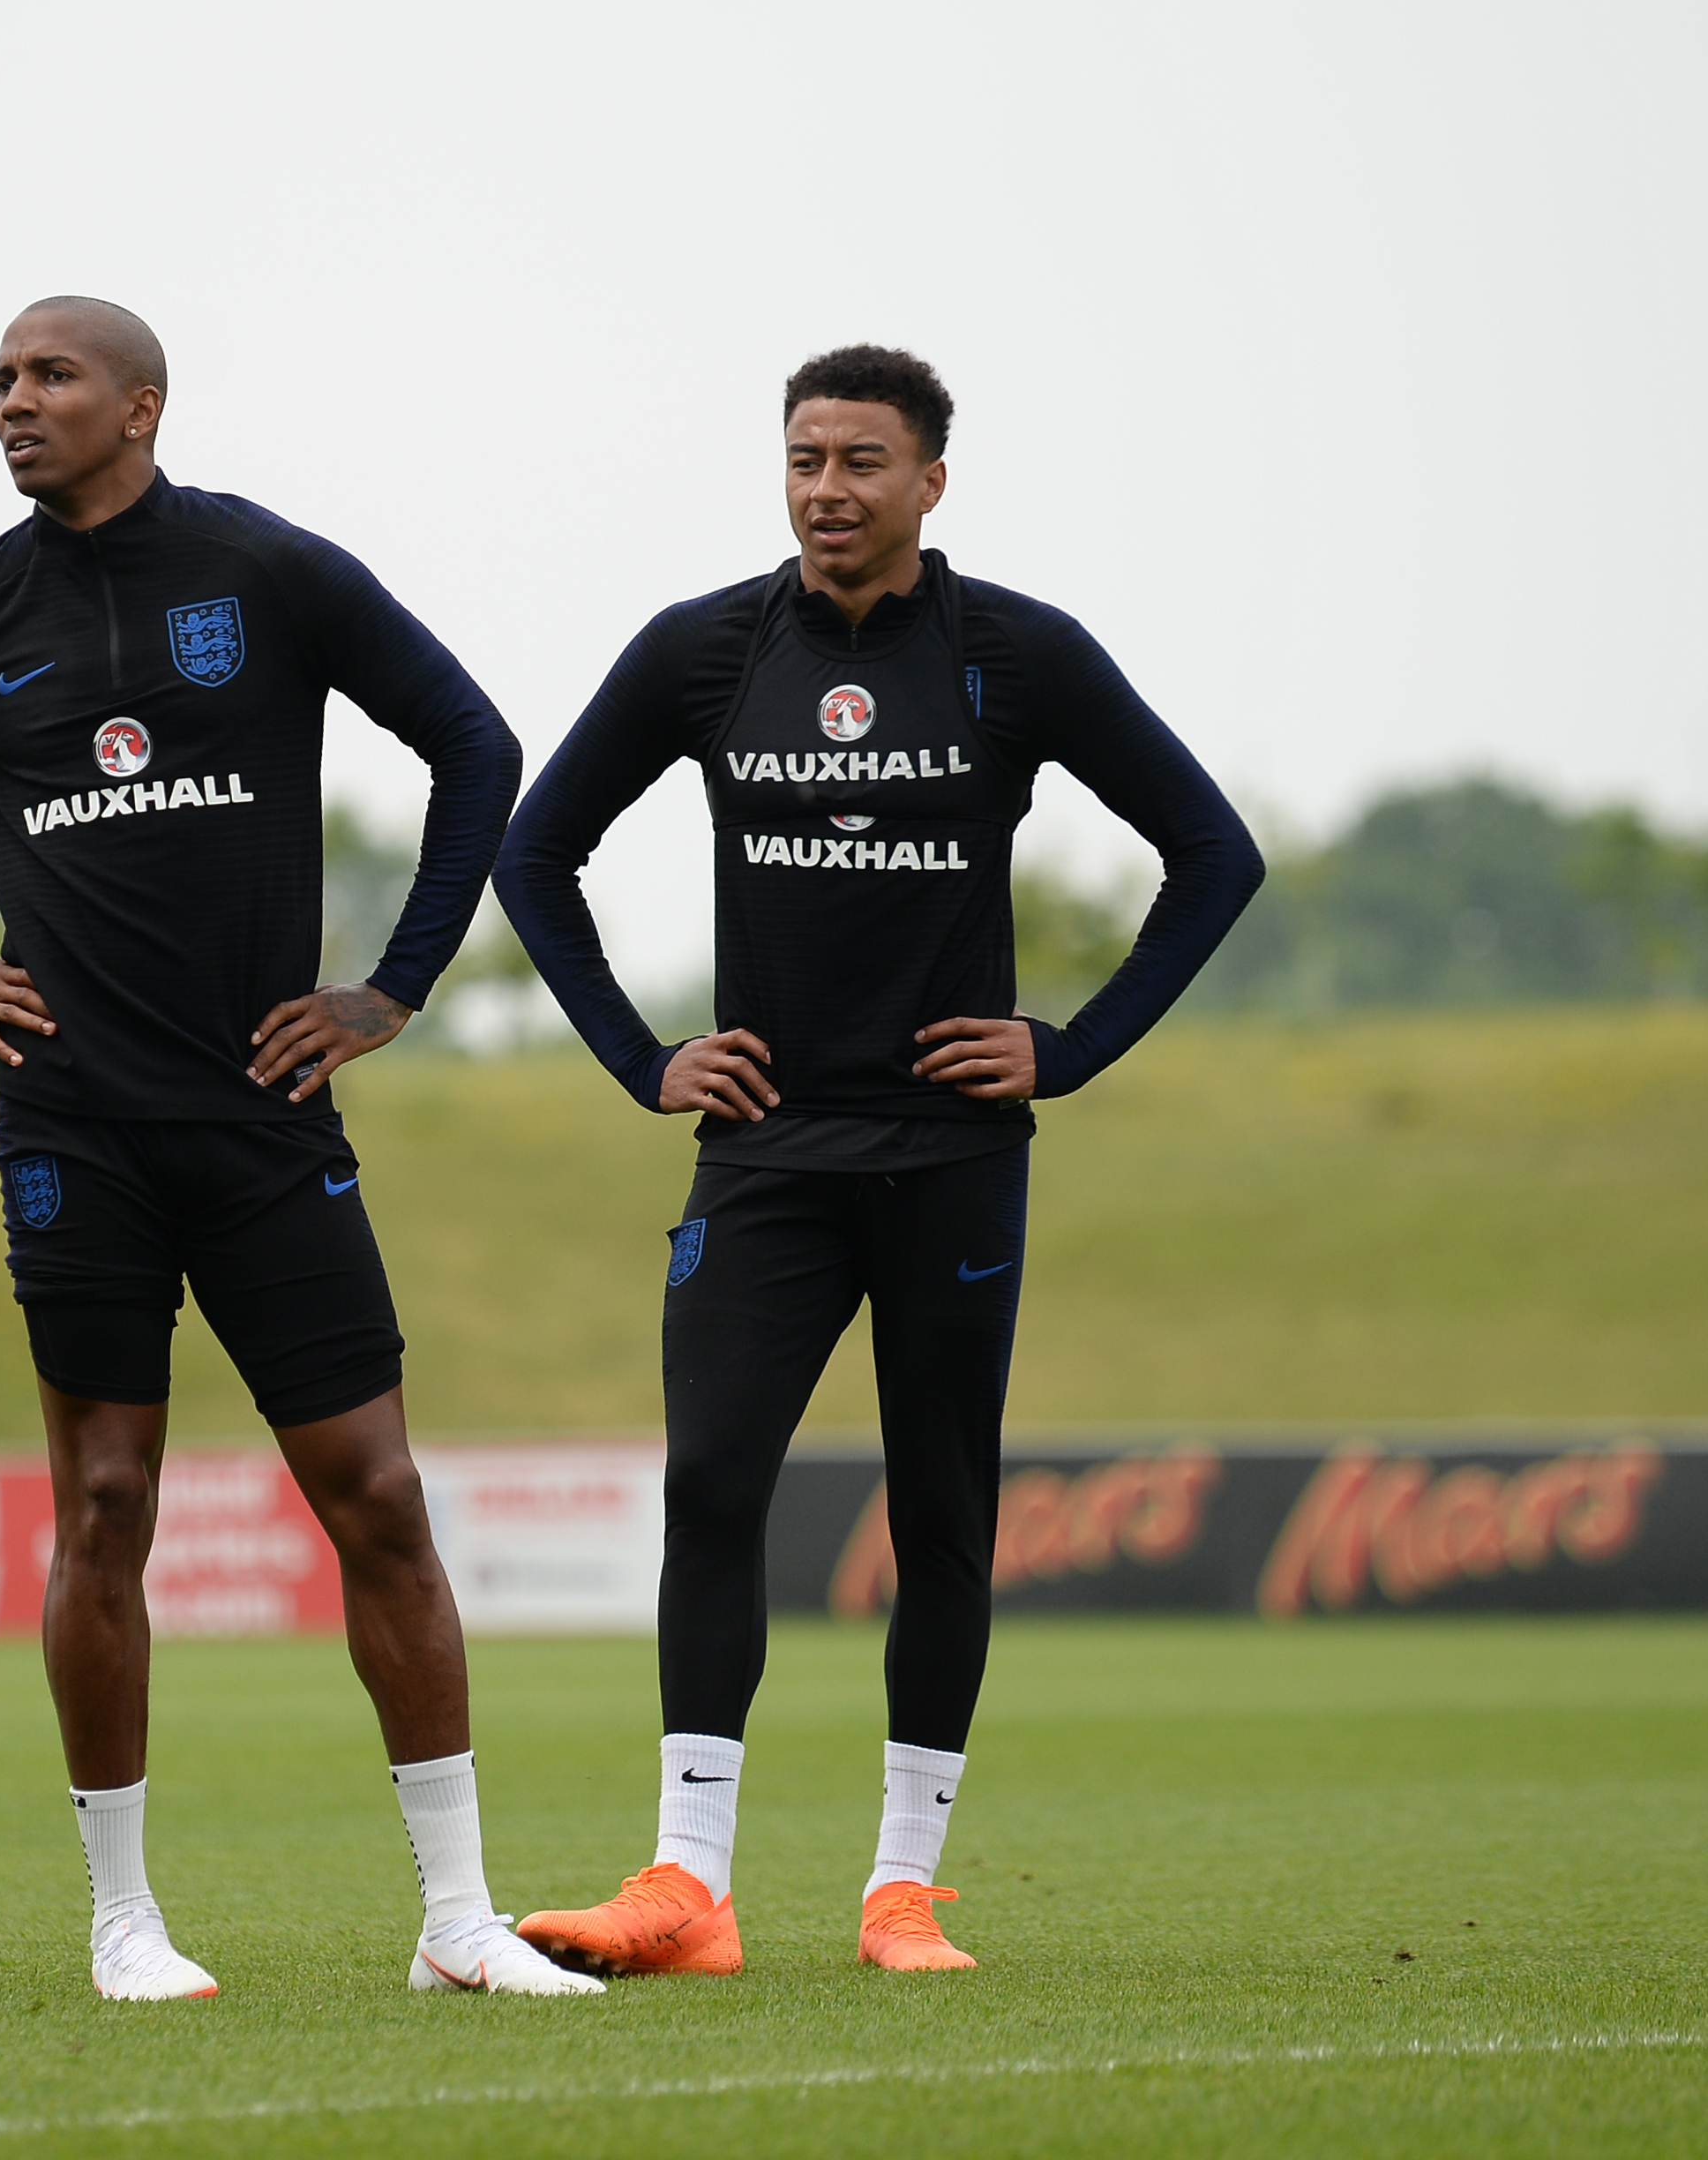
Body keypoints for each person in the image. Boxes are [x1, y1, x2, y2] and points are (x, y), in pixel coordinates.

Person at [0, 298, 596, 2001]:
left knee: (378, 1497)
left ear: (141, 403)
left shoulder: (266, 572)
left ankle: (457, 1922)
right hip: (72, 1133)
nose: (14, 402)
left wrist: (391, 987)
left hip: (266, 1119)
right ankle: (122, 1923)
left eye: (49, 376)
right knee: (102, 1503)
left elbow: (477, 746)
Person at [493, 347, 1261, 1976]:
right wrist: (647, 1061)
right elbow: (534, 851)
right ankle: (686, 1889)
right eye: (802, 458)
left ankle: (901, 1891)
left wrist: (1070, 1044)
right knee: (710, 1486)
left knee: (943, 1509)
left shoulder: (1014, 656)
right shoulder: (704, 651)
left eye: (861, 460)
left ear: (930, 479)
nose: (826, 487)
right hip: (764, 1157)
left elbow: (1213, 854)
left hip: (951, 1159)